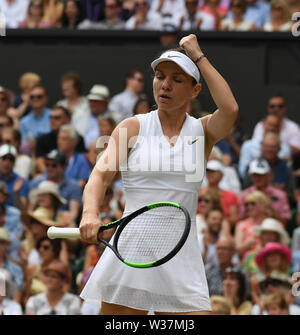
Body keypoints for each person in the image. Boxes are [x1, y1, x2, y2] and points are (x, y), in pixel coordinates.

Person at [79, 34, 239, 315]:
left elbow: (231, 109)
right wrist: (90, 213)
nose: (164, 85)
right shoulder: (132, 127)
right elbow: (99, 177)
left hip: (181, 254)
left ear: (195, 89)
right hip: (132, 250)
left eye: (177, 79)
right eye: (159, 75)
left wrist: (198, 55)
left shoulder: (203, 131)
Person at [29, 150, 82, 221]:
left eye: (54, 165)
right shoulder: (36, 183)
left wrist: (57, 224)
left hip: (63, 225)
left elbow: (74, 214)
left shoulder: (73, 186)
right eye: (47, 165)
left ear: (64, 167)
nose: (49, 168)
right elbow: (30, 210)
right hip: (39, 222)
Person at [35, 105, 86, 174]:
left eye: (56, 118)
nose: (52, 121)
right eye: (50, 117)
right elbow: (39, 162)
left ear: (68, 120)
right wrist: (51, 175)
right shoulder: (42, 139)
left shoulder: (77, 138)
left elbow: (82, 161)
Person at [238, 158, 291, 224]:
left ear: (269, 176)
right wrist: (251, 209)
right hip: (250, 230)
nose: (258, 178)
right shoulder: (244, 195)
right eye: (255, 175)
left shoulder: (280, 195)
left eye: (261, 175)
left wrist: (270, 209)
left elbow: (285, 221)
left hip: (274, 230)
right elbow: (240, 220)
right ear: (251, 177)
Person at [238, 114, 291, 179]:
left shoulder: (285, 149)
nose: (272, 128)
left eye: (273, 147)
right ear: (262, 147)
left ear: (278, 149)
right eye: (266, 146)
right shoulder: (248, 145)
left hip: (278, 182)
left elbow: (287, 173)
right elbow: (243, 172)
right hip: (254, 183)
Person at [235, 191, 276, 261]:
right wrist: (249, 244)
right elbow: (237, 250)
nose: (249, 207)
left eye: (253, 204)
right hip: (247, 264)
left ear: (263, 205)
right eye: (247, 204)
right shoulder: (241, 225)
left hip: (268, 261)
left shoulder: (272, 223)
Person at [201, 159, 240, 232]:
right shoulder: (199, 193)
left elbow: (234, 218)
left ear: (221, 175)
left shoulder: (230, 195)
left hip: (223, 230)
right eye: (208, 171)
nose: (210, 174)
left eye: (213, 172)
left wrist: (216, 221)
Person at [71, 84, 111, 149]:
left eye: (96, 101)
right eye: (91, 101)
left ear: (105, 102)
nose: (92, 104)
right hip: (81, 153)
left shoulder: (114, 118)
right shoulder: (78, 116)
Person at [18, 85, 51, 154]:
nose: (35, 99)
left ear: (46, 98)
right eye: (32, 97)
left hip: (52, 154)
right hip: (32, 155)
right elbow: (23, 146)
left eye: (39, 96)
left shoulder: (54, 116)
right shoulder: (24, 121)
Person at [0, 144, 29, 211]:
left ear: (14, 163)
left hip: (12, 218)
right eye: (4, 158)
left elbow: (22, 210)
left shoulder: (21, 181)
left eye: (11, 159)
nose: (7, 163)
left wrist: (16, 193)